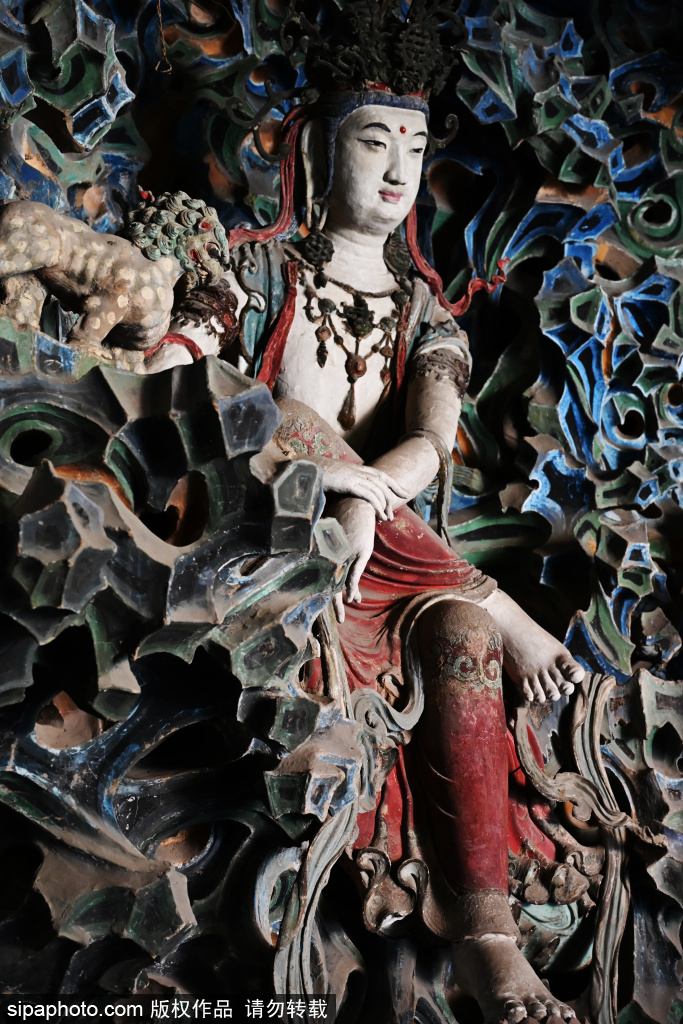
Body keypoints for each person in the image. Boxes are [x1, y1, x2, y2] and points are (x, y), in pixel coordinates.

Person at [149, 84, 586, 1020]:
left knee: (463, 631)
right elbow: (195, 382)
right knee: (292, 412)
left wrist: (361, 497)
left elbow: (428, 443)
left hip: (384, 556)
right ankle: (500, 604)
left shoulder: (424, 310)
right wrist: (325, 486)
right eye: (373, 143)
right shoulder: (256, 272)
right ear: (318, 155)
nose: (397, 171)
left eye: (415, 150)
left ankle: (488, 940)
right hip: (269, 532)